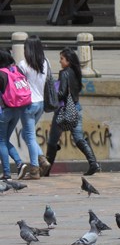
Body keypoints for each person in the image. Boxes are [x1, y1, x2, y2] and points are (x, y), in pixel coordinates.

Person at [44, 47, 100, 176]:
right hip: (76, 108)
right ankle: (93, 163)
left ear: (68, 61)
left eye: (62, 59)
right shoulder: (76, 72)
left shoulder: (64, 73)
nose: (60, 61)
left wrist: (51, 96)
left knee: (52, 141)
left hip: (64, 111)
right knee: (79, 138)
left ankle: (46, 169)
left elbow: (62, 93)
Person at [18, 35, 51, 180]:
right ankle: (42, 160)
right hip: (41, 104)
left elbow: (18, 85)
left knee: (29, 137)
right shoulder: (46, 62)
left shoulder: (23, 65)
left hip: (29, 104)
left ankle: (34, 169)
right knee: (26, 135)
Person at [0, 49, 25, 181]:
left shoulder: (1, 74)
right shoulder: (15, 70)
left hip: (4, 111)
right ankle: (20, 164)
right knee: (4, 140)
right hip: (17, 109)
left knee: (1, 141)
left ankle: (7, 173)